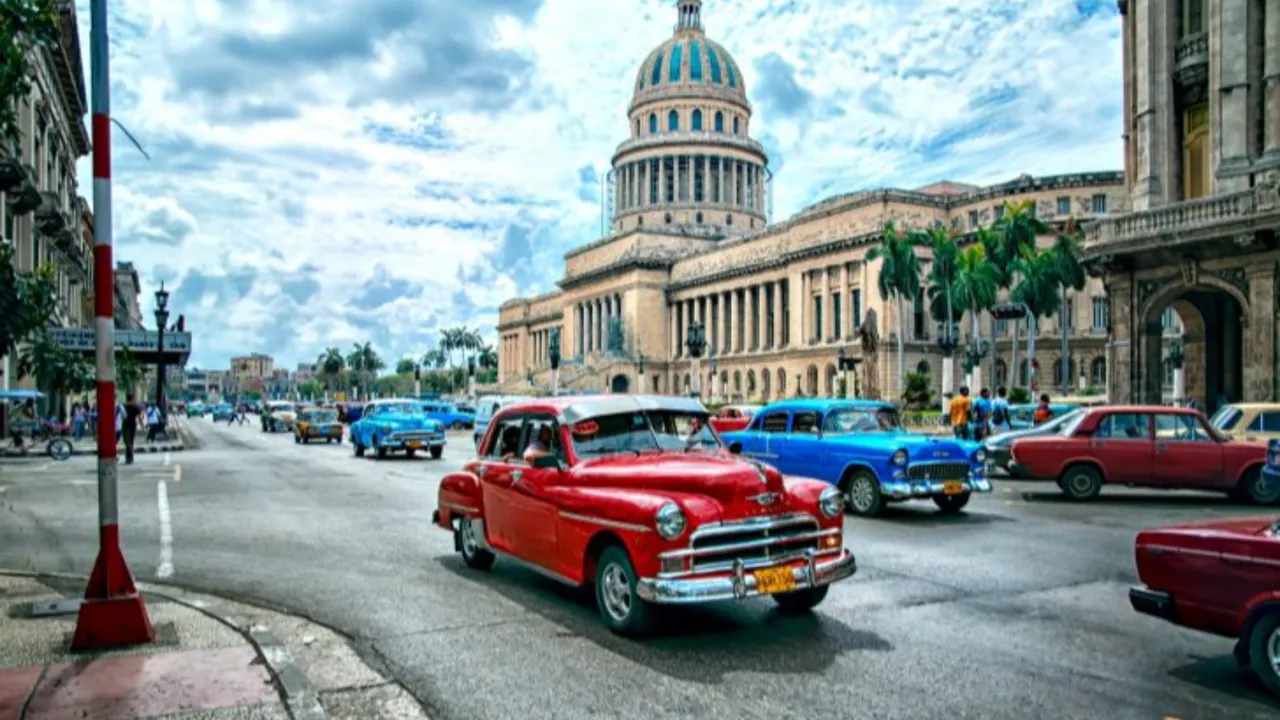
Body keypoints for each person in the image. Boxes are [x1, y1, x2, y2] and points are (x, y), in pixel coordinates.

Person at [123, 395, 142, 464]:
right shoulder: (135, 406)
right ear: (132, 399)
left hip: (125, 425)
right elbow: (139, 416)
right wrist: (142, 424)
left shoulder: (123, 406)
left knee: (127, 442)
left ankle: (129, 458)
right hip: (132, 426)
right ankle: (130, 457)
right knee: (130, 442)